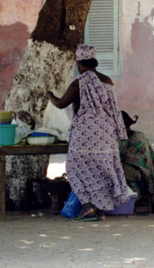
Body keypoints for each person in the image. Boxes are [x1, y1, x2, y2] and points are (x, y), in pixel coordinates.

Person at [46, 44, 129, 221]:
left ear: (80, 64)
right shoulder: (108, 81)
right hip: (106, 133)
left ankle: (86, 205)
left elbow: (61, 104)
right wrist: (119, 132)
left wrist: (49, 95)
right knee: (103, 169)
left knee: (75, 167)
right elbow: (115, 110)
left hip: (84, 133)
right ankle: (100, 212)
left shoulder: (80, 82)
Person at [119, 111, 154, 214]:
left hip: (141, 172)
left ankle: (134, 200)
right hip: (125, 167)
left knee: (123, 171)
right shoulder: (118, 138)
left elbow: (135, 159)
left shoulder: (138, 137)